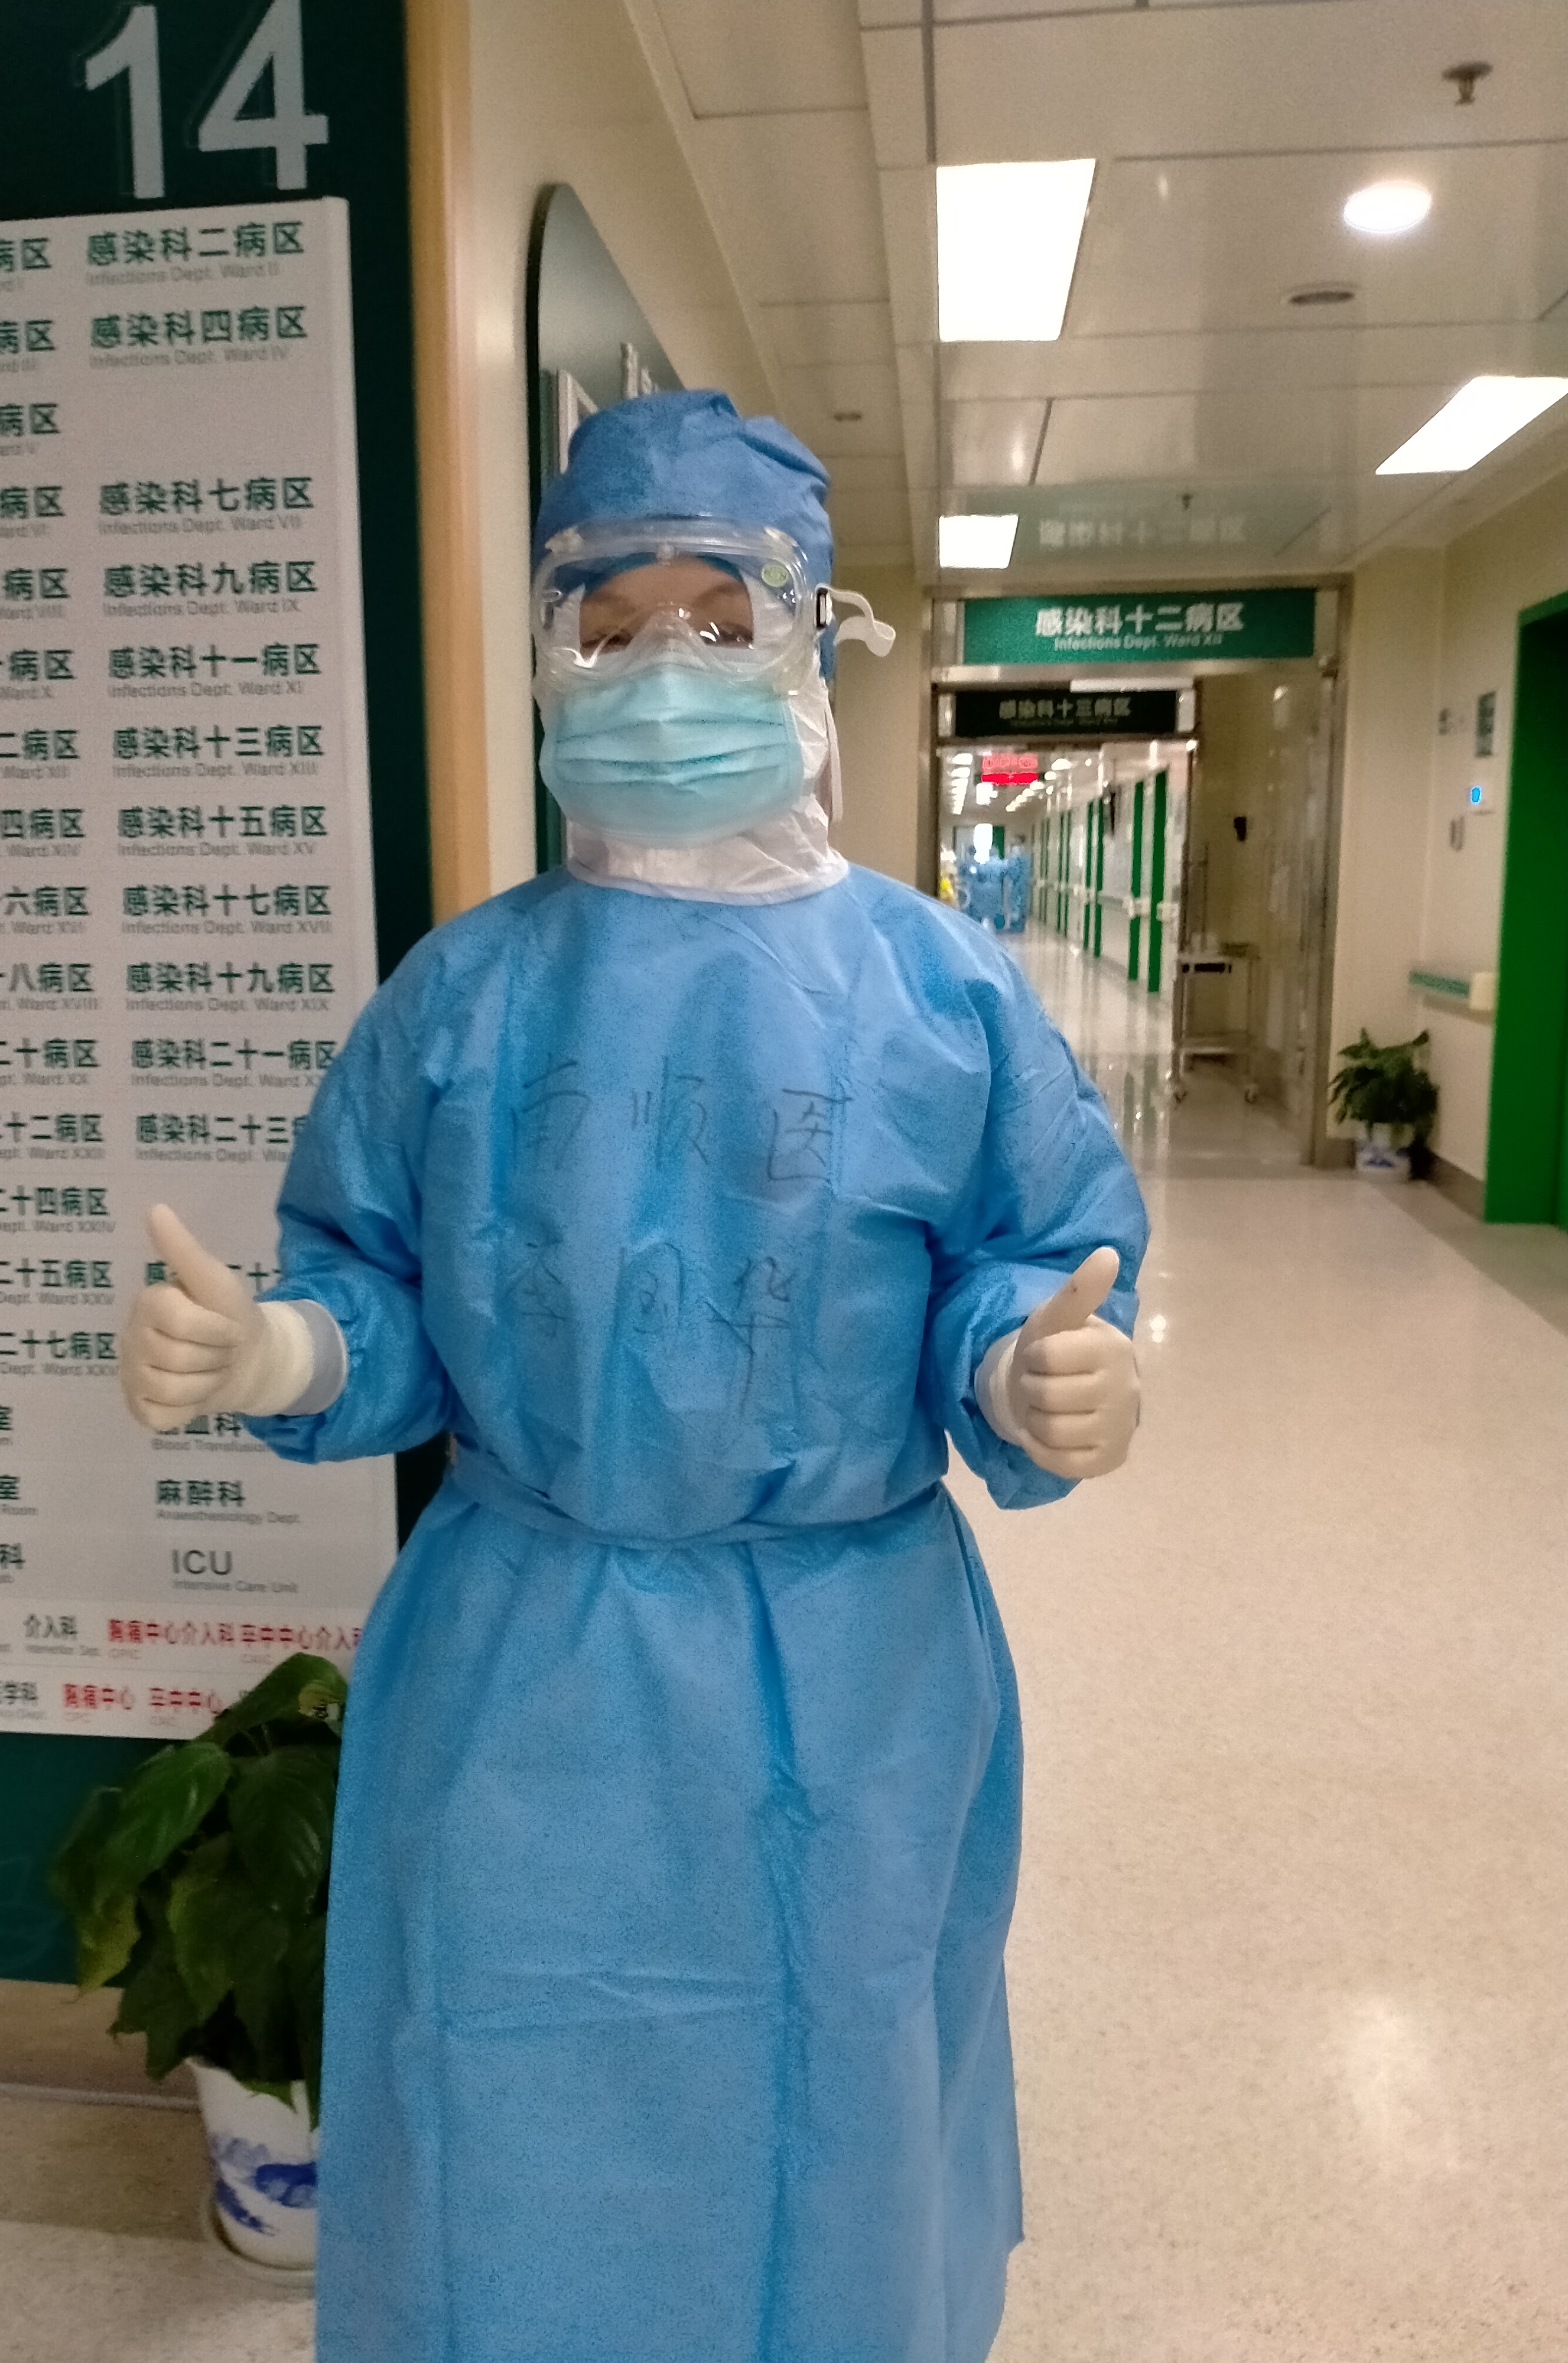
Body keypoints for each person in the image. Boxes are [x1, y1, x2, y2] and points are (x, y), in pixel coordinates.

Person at [120, 389, 1148, 2363]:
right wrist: (281, 1343)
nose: (664, 669)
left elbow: (1018, 1265)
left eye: (720, 616)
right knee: (506, 2102)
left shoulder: (938, 991)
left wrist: (1027, 1369)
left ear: (812, 639)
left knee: (843, 2091)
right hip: (535, 1674)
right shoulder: (467, 994)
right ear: (549, 650)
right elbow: (383, 1291)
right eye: (610, 625)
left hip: (851, 1672)